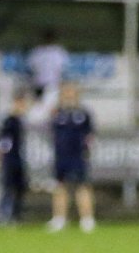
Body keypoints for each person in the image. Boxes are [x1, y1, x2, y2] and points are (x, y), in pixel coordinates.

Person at [47, 82, 96, 231]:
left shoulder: (83, 114)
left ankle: (87, 219)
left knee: (82, 186)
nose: (69, 95)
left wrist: (87, 150)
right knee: (60, 187)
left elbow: (90, 135)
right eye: (66, 92)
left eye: (71, 92)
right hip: (61, 156)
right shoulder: (57, 113)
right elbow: (52, 132)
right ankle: (59, 218)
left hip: (78, 156)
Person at [0, 93, 28, 224]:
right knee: (9, 186)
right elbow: (5, 140)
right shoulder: (10, 121)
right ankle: (6, 214)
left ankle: (16, 213)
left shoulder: (21, 120)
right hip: (11, 159)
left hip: (20, 158)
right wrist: (2, 155)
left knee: (20, 187)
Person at [27, 28, 67, 107]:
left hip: (52, 84)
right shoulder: (37, 51)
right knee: (38, 107)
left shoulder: (58, 52)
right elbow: (31, 67)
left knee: (51, 107)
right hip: (39, 84)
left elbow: (62, 69)